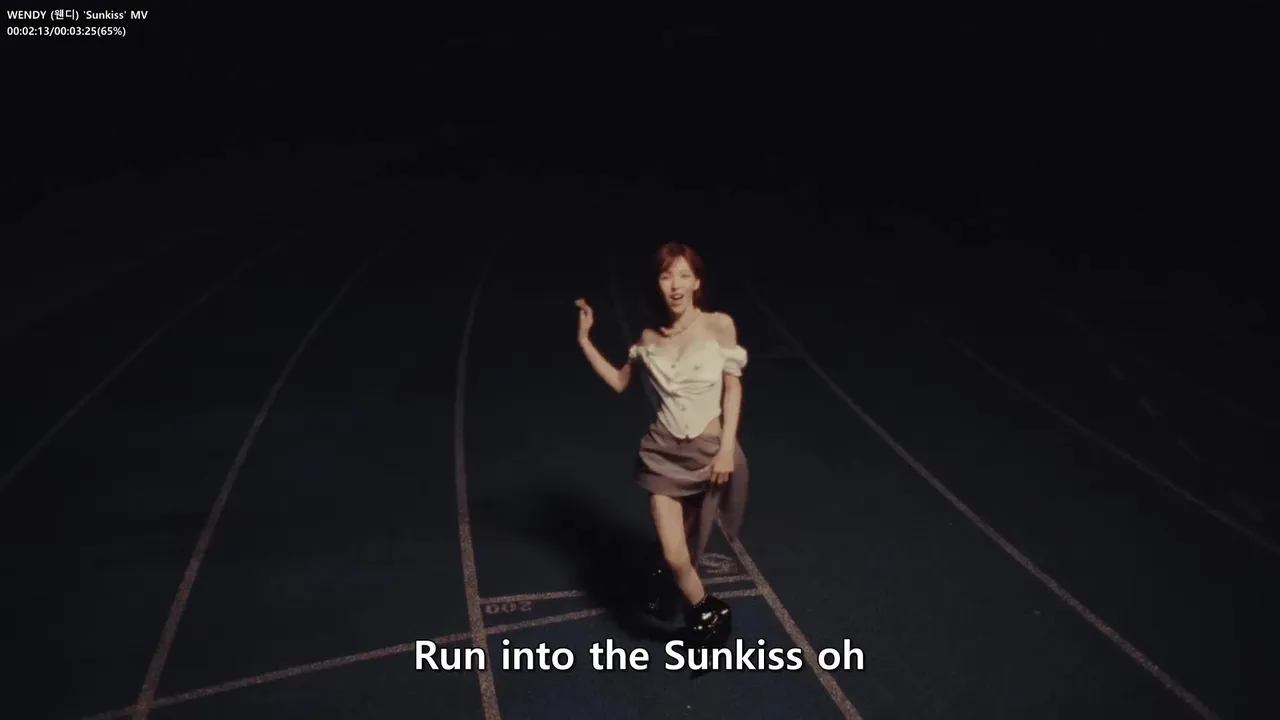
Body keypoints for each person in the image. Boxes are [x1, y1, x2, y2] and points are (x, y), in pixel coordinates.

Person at [575, 242, 749, 648]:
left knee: (690, 542)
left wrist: (727, 448)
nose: (675, 285)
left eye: (684, 275)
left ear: (697, 283)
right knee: (675, 554)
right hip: (662, 456)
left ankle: (666, 588)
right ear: (658, 284)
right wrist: (585, 340)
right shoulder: (649, 338)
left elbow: (733, 388)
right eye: (666, 275)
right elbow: (620, 382)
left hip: (708, 454)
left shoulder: (719, 325)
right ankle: (710, 615)